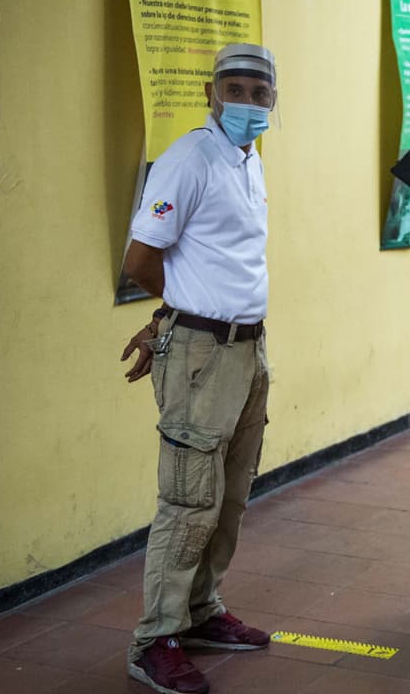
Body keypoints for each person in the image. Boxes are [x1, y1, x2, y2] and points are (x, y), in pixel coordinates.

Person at [117, 43, 277, 694]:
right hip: (203, 356)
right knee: (188, 501)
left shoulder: (248, 160)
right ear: (210, 92)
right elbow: (140, 259)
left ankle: (202, 610)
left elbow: (214, 259)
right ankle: (155, 639)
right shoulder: (190, 158)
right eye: (232, 89)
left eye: (258, 92)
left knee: (230, 495)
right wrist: (174, 322)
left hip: (248, 350)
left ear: (273, 101)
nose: (244, 102)